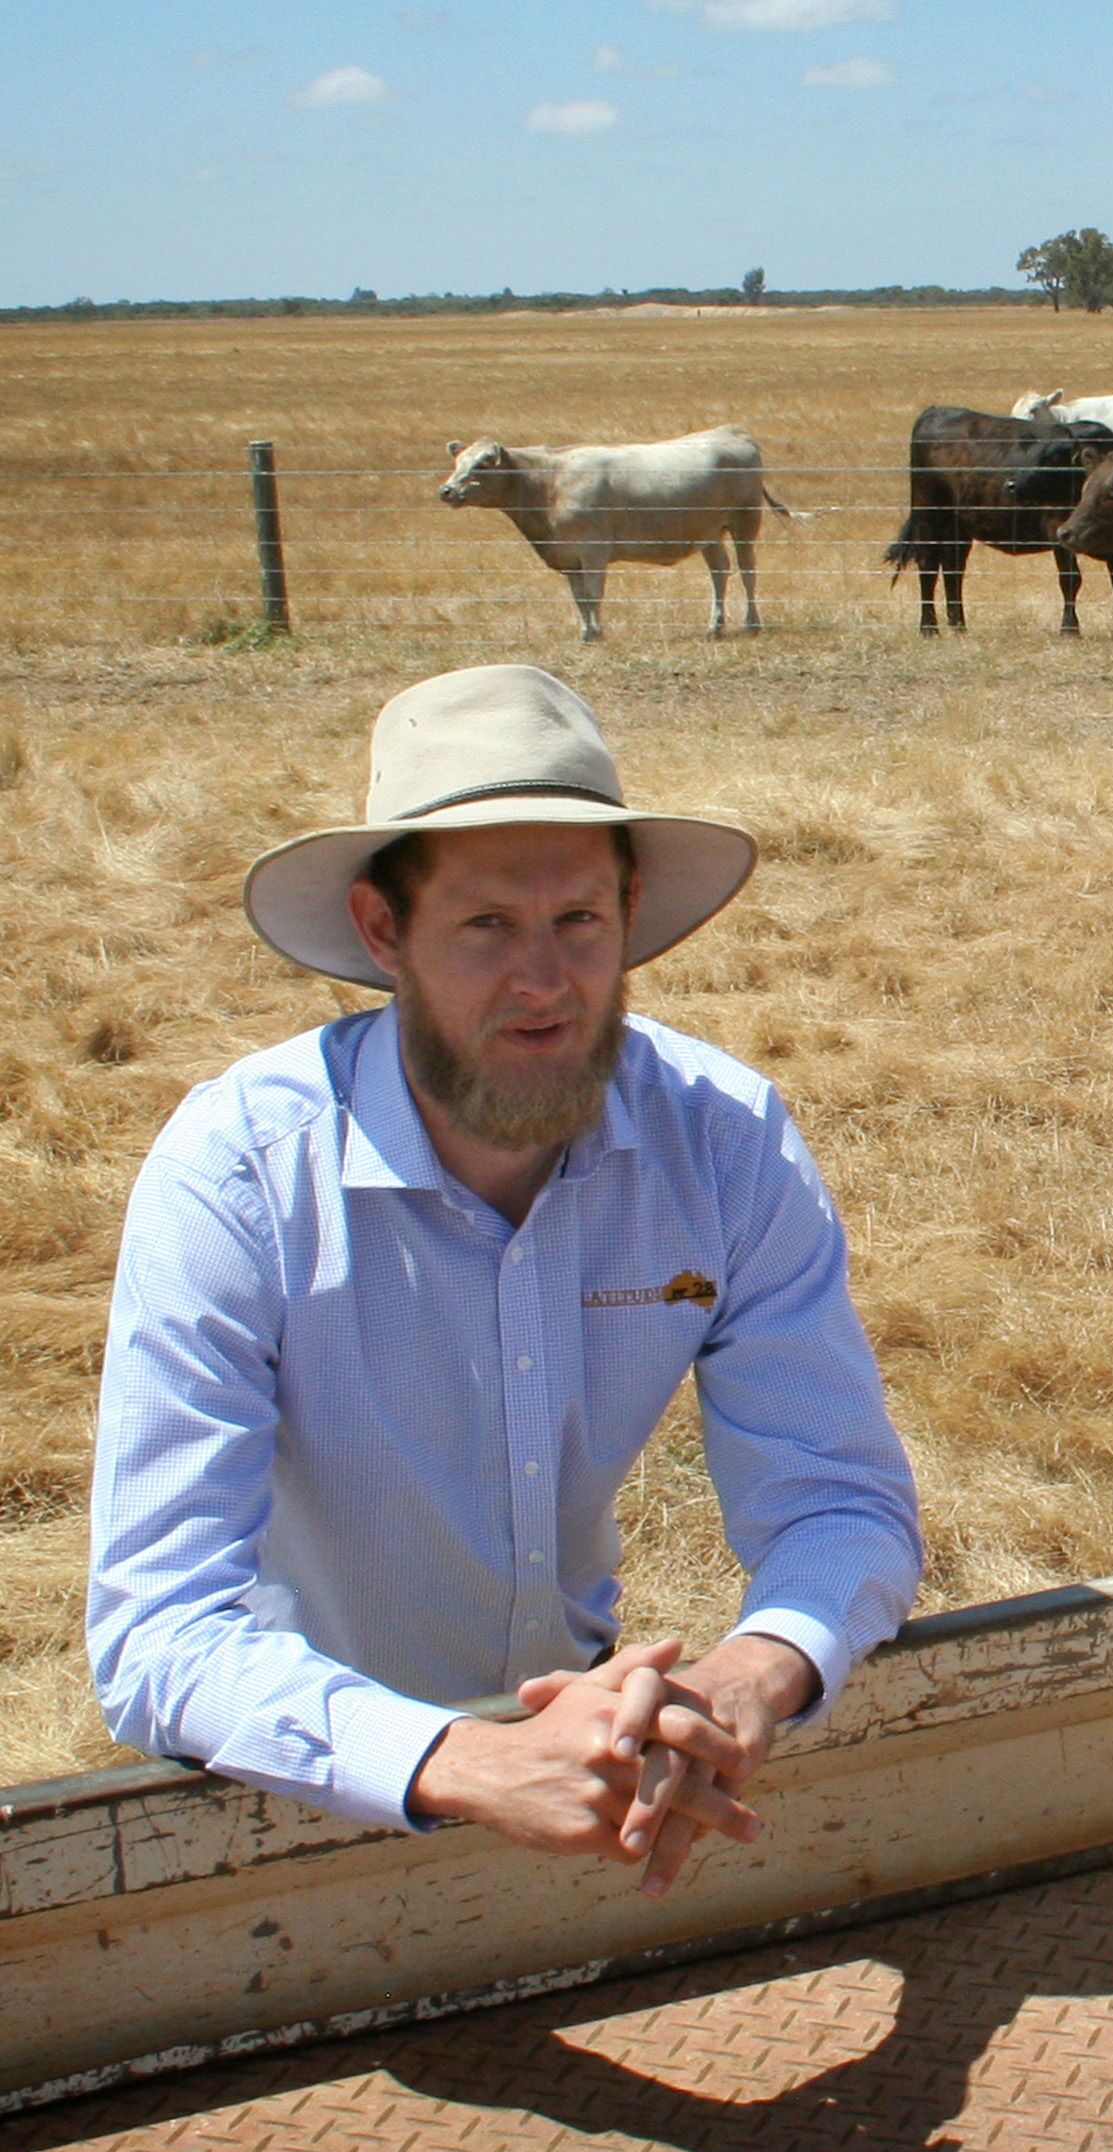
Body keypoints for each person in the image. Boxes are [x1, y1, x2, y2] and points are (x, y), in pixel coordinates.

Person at [87, 664, 922, 1897]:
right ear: (384, 931)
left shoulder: (722, 1140)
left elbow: (841, 1499)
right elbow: (158, 1629)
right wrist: (465, 1760)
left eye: (579, 921)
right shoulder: (241, 1178)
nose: (544, 981)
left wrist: (755, 1671)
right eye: (486, 926)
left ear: (630, 911)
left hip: (600, 1771)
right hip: (280, 1800)